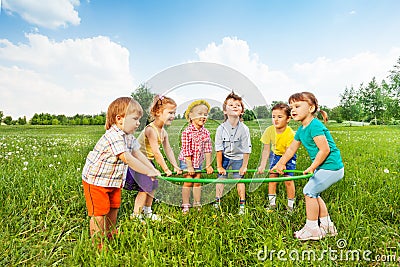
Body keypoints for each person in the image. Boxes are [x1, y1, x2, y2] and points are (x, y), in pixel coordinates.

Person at [82, 97, 160, 248]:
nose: (138, 123)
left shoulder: (128, 137)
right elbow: (128, 158)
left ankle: (110, 232)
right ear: (119, 119)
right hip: (96, 181)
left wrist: (151, 168)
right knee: (99, 213)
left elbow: (138, 154)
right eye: (135, 119)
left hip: (114, 180)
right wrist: (147, 172)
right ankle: (98, 243)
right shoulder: (114, 136)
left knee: (114, 208)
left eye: (139, 119)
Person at [272, 92, 344, 241]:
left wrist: (312, 167)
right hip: (325, 167)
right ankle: (328, 226)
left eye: (297, 106)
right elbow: (291, 149)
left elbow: (325, 150)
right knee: (314, 193)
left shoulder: (315, 125)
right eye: (291, 107)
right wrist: (280, 163)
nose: (293, 110)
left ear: (311, 108)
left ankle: (312, 229)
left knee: (309, 191)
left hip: (332, 167)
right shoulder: (301, 130)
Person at [130, 95, 182, 220]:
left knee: (153, 186)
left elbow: (168, 150)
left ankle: (147, 211)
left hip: (148, 162)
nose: (173, 116)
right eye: (170, 112)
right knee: (145, 187)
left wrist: (175, 166)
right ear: (158, 113)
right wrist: (165, 169)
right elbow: (156, 152)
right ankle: (136, 215)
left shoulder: (164, 132)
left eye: (174, 113)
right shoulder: (150, 130)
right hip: (139, 162)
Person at [214, 92, 252, 215]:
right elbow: (219, 149)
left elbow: (247, 149)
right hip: (225, 156)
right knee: (221, 178)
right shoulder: (220, 128)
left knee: (239, 179)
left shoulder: (244, 129)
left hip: (239, 157)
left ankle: (242, 204)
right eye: (231, 105)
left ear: (241, 111)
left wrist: (244, 166)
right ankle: (217, 201)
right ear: (225, 111)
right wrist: (219, 166)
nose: (235, 106)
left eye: (238, 105)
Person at [257, 103, 296, 211]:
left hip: (288, 156)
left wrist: (282, 164)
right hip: (275, 155)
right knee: (272, 178)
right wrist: (262, 165)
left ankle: (290, 206)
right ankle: (272, 204)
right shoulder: (269, 130)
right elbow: (266, 150)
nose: (275, 120)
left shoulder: (291, 134)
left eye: (279, 117)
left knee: (288, 180)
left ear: (288, 119)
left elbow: (289, 151)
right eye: (273, 117)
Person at [178, 100, 214, 213]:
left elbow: (208, 149)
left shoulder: (206, 132)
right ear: (190, 116)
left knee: (197, 181)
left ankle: (197, 203)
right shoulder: (187, 132)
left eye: (205, 114)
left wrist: (208, 165)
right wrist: (189, 166)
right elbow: (186, 150)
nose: (203, 116)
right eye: (200, 114)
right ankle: (185, 204)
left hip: (198, 161)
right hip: (186, 161)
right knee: (188, 181)